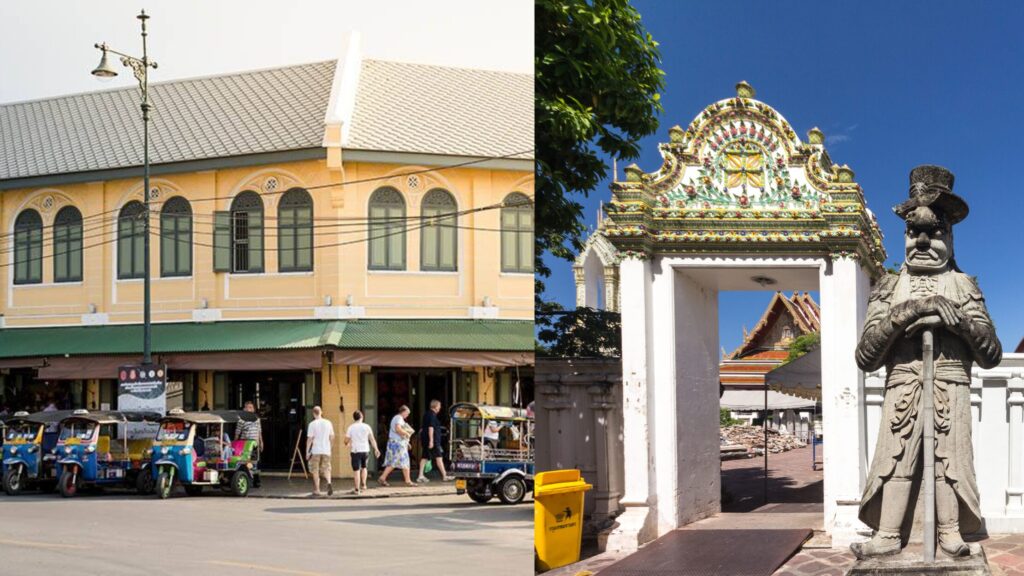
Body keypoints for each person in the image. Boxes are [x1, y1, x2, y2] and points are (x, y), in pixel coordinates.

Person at [851, 166, 1001, 559]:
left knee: (948, 463)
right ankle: (888, 533)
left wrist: (959, 320)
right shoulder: (888, 286)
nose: (921, 241)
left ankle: (950, 531)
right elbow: (866, 356)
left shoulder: (964, 285)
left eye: (933, 232)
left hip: (950, 386)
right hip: (903, 386)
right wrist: (908, 312)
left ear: (949, 236)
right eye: (912, 232)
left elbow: (991, 353)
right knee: (897, 460)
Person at [378, 405, 415, 487]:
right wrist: (407, 433)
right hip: (397, 444)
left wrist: (406, 442)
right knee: (397, 461)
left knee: (400, 461)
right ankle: (383, 477)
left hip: (397, 443)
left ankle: (407, 480)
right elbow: (398, 429)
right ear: (403, 411)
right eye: (407, 413)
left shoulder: (399, 418)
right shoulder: (398, 418)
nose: (407, 415)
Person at [345, 410, 380, 494]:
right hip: (365, 450)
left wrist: (348, 443)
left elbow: (346, 440)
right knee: (364, 467)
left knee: (356, 470)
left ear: (354, 418)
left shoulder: (351, 427)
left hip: (356, 451)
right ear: (362, 417)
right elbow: (372, 439)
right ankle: (364, 485)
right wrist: (376, 449)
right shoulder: (367, 426)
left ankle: (357, 489)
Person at [417, 399, 451, 483]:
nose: (440, 407)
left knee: (425, 457)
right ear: (435, 406)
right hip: (433, 441)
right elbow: (430, 428)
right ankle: (444, 476)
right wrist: (431, 441)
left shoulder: (427, 414)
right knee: (438, 458)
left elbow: (423, 428)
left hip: (428, 440)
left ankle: (420, 476)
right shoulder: (432, 415)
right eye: (439, 406)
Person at [305, 405, 335, 497]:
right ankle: (329, 482)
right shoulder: (328, 422)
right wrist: (330, 447)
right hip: (326, 450)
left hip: (316, 450)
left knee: (315, 470)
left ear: (314, 414)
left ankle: (317, 489)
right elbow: (332, 437)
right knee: (326, 468)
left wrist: (307, 452)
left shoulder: (312, 424)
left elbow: (310, 439)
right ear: (321, 412)